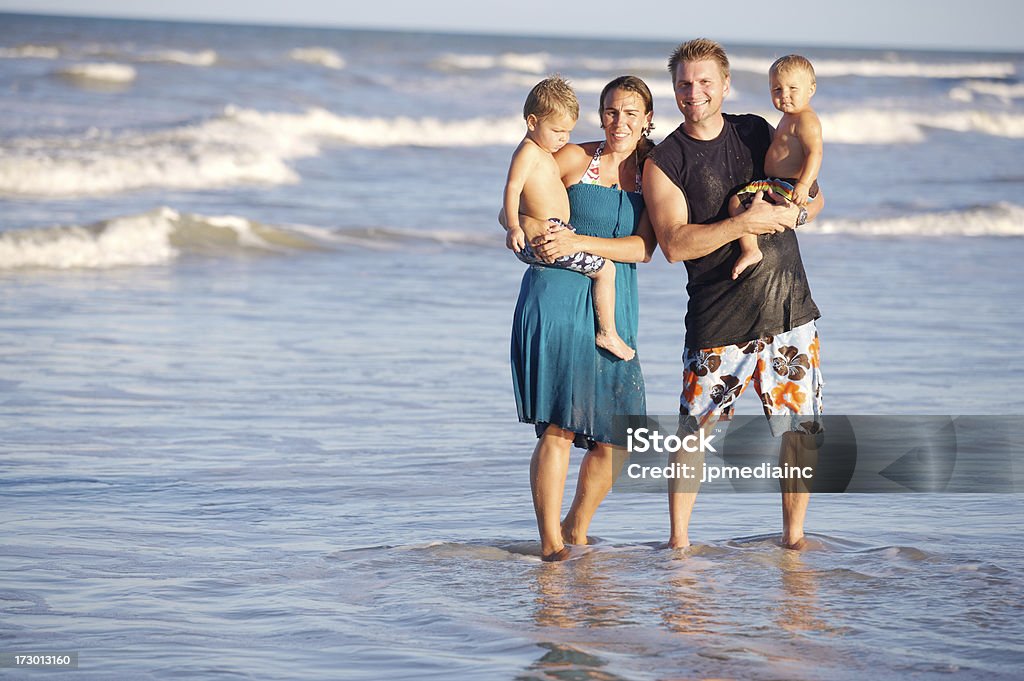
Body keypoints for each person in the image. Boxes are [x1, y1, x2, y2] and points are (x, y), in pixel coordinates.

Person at [644, 39, 825, 550]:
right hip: (717, 318)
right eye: (684, 83)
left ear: (725, 85)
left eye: (705, 82)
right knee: (693, 436)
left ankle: (794, 542)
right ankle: (679, 544)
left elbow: (810, 193)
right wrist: (742, 223)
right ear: (675, 90)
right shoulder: (666, 160)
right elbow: (675, 245)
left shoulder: (754, 130)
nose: (694, 92)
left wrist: (800, 211)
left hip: (788, 306)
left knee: (799, 434)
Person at [507, 76, 658, 561]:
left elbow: (644, 248)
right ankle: (551, 543)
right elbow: (523, 191)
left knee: (619, 433)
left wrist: (580, 242)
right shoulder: (574, 156)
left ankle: (576, 526)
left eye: (631, 113)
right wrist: (525, 225)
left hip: (614, 297)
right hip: (557, 294)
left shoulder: (654, 171)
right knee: (559, 425)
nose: (620, 122)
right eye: (612, 111)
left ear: (647, 119)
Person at [504, 76, 635, 361]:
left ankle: (607, 331)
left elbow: (645, 250)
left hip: (556, 236)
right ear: (532, 122)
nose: (564, 139)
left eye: (568, 132)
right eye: (558, 131)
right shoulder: (530, 153)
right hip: (544, 241)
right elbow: (511, 191)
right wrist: (518, 225)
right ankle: (607, 332)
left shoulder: (545, 152)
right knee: (606, 270)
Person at [729, 55, 823, 279]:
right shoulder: (789, 117)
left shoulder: (805, 120)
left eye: (792, 88)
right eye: (777, 90)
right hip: (779, 182)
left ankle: (751, 250)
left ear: (811, 90)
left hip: (792, 184)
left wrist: (803, 184)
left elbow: (815, 153)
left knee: (738, 202)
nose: (784, 96)